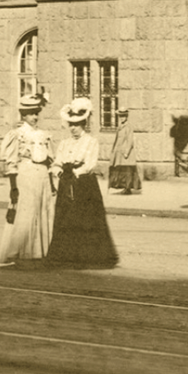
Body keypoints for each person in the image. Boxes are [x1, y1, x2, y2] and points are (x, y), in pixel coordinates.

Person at [44, 97, 118, 267]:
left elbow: (90, 164)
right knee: (66, 219)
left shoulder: (91, 142)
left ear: (84, 124)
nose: (73, 128)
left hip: (84, 185)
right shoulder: (64, 143)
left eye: (77, 124)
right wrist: (58, 171)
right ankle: (67, 255)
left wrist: (75, 172)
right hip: (66, 183)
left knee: (85, 219)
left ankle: (88, 256)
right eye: (71, 124)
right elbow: (57, 162)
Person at [0, 93, 54, 263]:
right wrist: (13, 187)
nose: (34, 117)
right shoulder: (17, 134)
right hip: (26, 175)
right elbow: (12, 162)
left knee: (42, 209)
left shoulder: (44, 135)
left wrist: (52, 183)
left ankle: (40, 251)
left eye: (36, 113)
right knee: (26, 212)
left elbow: (50, 161)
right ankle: (20, 251)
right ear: (23, 115)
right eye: (30, 114)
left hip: (42, 176)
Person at [107, 112, 141, 195]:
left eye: (123, 116)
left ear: (126, 117)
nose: (122, 118)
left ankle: (128, 188)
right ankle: (124, 187)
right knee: (121, 170)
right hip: (119, 152)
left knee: (127, 171)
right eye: (120, 116)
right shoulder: (120, 127)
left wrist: (127, 152)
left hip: (125, 153)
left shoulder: (128, 127)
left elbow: (130, 140)